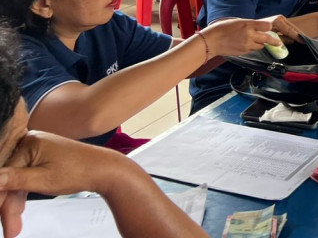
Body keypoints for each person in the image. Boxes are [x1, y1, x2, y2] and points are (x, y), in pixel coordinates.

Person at [0, 0, 294, 148]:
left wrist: (241, 36)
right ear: (43, 2)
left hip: (97, 153)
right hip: (39, 189)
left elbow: (188, 60)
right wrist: (209, 41)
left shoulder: (106, 26)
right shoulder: (15, 54)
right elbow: (87, 114)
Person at [0, 26, 209, 238]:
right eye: (15, 146)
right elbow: (87, 114)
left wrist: (112, 173)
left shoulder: (107, 26)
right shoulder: (24, 52)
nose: (25, 150)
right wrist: (116, 175)